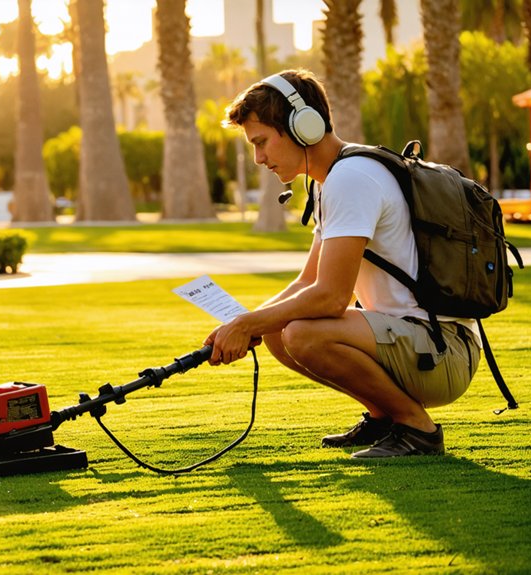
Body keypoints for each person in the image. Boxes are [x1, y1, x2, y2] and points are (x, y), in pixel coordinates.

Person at [205, 69, 480, 458]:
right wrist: (247, 324)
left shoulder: (351, 179)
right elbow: (308, 282)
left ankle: (417, 429)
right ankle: (384, 416)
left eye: (262, 142)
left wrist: (248, 322)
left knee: (302, 333)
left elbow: (332, 298)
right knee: (275, 331)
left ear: (303, 127)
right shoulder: (330, 180)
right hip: (417, 342)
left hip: (441, 351)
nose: (258, 158)